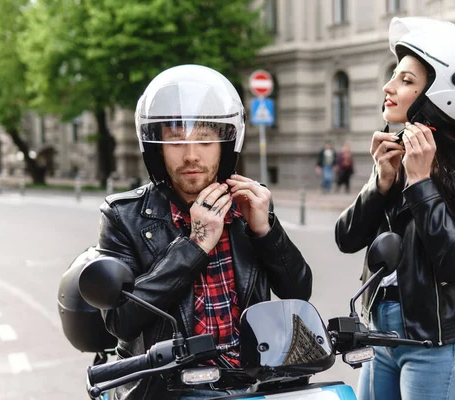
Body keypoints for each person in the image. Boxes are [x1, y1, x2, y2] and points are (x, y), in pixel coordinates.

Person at [95, 65, 312, 400]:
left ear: (225, 145)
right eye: (176, 141)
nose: (191, 155)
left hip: (252, 379)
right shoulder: (125, 216)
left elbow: (299, 289)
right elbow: (121, 321)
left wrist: (265, 230)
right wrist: (194, 245)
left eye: (205, 140)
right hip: (173, 386)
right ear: (157, 147)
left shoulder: (248, 204)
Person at [335, 17, 455, 400]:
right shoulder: (395, 157)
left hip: (439, 345)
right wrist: (379, 183)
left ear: (442, 94)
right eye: (395, 77)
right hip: (381, 335)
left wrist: (421, 183)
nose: (389, 87)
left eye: (406, 80)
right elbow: (346, 239)